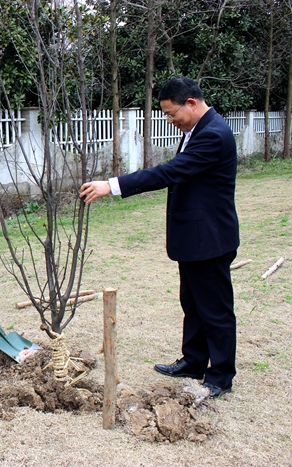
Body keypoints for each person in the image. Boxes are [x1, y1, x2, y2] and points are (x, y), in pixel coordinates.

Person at [80, 77, 239, 398]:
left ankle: (220, 375)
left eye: (170, 114)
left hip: (210, 239)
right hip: (195, 238)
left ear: (191, 103)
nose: (169, 120)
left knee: (215, 309)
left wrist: (112, 185)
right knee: (193, 303)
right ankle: (194, 361)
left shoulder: (214, 134)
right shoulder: (197, 129)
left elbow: (171, 172)